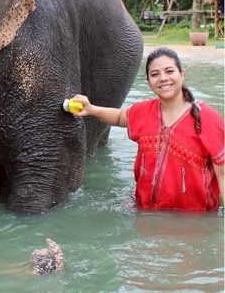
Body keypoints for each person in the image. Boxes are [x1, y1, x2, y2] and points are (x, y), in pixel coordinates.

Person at [72, 47, 224, 212]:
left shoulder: (207, 118)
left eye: (169, 71)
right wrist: (91, 109)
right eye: (155, 74)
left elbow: (222, 174)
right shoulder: (144, 111)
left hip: (195, 218)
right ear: (149, 81)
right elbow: (119, 117)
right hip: (145, 212)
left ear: (182, 74)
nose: (163, 78)